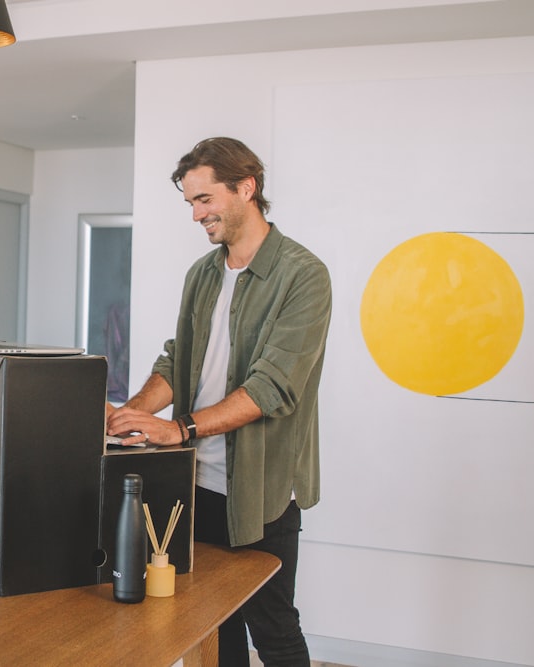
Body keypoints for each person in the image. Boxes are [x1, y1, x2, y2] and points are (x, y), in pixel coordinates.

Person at [106, 137, 331, 667]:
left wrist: (178, 428)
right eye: (190, 203)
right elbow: (177, 360)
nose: (196, 214)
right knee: (206, 620)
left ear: (246, 188)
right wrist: (132, 414)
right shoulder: (203, 274)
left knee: (271, 625)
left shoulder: (303, 275)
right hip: (193, 481)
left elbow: (272, 386)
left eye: (204, 199)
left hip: (261, 488)